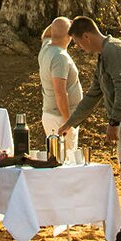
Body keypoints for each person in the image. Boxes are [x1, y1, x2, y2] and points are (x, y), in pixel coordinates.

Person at [58, 15, 121, 241]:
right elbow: (93, 94)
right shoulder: (104, 57)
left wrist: (113, 121)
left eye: (79, 43)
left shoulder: (112, 50)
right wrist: (70, 123)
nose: (81, 48)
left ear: (86, 36)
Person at [37, 16, 83, 160]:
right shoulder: (60, 57)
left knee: (58, 159)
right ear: (70, 35)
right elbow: (60, 92)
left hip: (54, 115)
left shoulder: (46, 48)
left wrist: (58, 23)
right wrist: (68, 121)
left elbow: (46, 34)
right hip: (60, 117)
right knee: (66, 161)